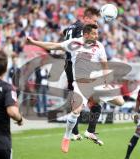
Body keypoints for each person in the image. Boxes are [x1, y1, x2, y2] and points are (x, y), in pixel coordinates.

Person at [26, 24, 113, 153]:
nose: (97, 36)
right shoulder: (74, 43)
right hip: (81, 83)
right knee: (76, 111)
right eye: (94, 33)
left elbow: (104, 65)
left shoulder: (99, 46)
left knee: (118, 100)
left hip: (96, 82)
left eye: (97, 33)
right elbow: (53, 45)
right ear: (86, 34)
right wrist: (34, 42)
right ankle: (67, 136)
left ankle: (90, 131)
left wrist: (107, 81)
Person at [62, 7, 100, 142]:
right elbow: (81, 45)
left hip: (68, 63)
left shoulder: (71, 27)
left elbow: (64, 34)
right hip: (76, 65)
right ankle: (87, 130)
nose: (96, 24)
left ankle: (75, 132)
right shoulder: (81, 29)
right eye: (94, 21)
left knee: (75, 96)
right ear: (86, 18)